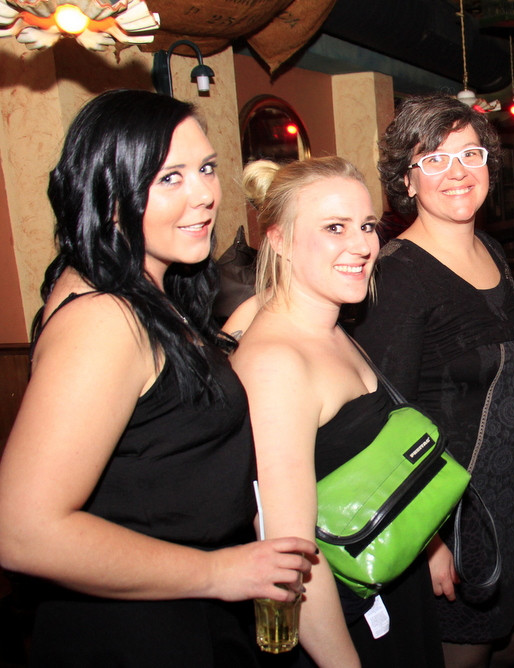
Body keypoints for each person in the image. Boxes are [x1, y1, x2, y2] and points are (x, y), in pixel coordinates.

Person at [0, 89, 313, 666]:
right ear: (109, 193)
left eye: (206, 169)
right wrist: (219, 571)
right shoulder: (104, 319)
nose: (204, 194)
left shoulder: (142, 292)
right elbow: (23, 532)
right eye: (170, 178)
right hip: (141, 632)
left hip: (181, 612)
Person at [352, 93, 514, 668]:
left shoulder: (491, 250)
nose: (457, 172)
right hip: (446, 511)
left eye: (469, 154)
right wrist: (430, 539)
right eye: (434, 159)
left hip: (512, 498)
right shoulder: (397, 274)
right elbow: (384, 422)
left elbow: (510, 385)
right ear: (407, 180)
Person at [230, 157, 444, 667]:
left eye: (367, 225)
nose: (363, 245)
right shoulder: (277, 364)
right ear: (278, 240)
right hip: (341, 625)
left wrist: (429, 541)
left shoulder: (328, 325)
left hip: (390, 587)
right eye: (334, 227)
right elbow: (290, 552)